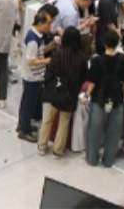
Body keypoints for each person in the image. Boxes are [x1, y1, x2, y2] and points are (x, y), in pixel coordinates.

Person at [38, 25, 88, 158]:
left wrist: (48, 85)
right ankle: (58, 150)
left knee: (47, 119)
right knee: (64, 122)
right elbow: (84, 77)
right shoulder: (83, 58)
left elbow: (50, 72)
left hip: (55, 90)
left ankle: (42, 146)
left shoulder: (58, 54)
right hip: (70, 93)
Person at [84, 30, 124, 168]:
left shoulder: (97, 60)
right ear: (117, 43)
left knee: (94, 131)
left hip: (99, 99)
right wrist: (121, 92)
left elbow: (92, 82)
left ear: (104, 43)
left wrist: (86, 95)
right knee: (114, 133)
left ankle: (92, 159)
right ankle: (108, 160)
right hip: (116, 99)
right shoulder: (123, 59)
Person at [18, 8, 53, 142]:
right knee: (29, 104)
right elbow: (30, 60)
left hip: (33, 76)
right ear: (40, 23)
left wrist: (51, 46)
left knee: (26, 102)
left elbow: (40, 51)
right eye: (48, 24)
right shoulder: (33, 39)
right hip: (32, 77)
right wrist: (46, 61)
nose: (49, 27)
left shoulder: (36, 36)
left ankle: (23, 124)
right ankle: (24, 131)